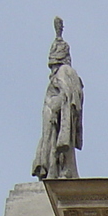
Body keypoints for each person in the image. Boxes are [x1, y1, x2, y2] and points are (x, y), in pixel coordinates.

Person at [33, 17, 83, 179]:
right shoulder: (62, 73)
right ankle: (50, 171)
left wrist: (56, 108)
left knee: (54, 145)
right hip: (52, 114)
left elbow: (69, 96)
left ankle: (55, 171)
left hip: (57, 115)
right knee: (49, 144)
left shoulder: (65, 72)